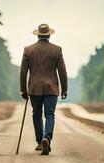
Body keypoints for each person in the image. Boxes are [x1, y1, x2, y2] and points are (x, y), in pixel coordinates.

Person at [20, 23, 68, 155]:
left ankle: (40, 142)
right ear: (49, 35)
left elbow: (23, 72)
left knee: (36, 114)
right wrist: (64, 89)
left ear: (38, 35)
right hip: (51, 88)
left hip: (34, 89)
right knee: (49, 114)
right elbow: (62, 72)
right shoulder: (57, 50)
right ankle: (47, 137)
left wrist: (23, 90)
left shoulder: (28, 50)